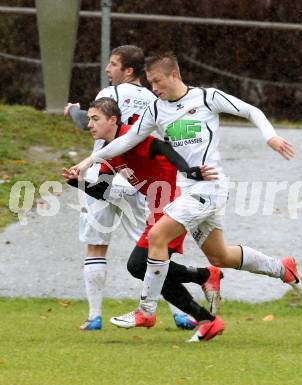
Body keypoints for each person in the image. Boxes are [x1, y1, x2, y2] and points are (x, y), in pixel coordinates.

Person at [71, 52, 302, 343]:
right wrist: (88, 162)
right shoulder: (156, 109)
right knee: (220, 255)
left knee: (156, 236)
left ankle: (146, 310)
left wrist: (269, 136)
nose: (155, 88)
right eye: (151, 83)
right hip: (187, 192)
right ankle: (282, 267)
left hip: (209, 188)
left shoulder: (207, 98)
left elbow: (251, 110)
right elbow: (126, 141)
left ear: (174, 75)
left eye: (157, 81)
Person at [64, 45, 219, 331]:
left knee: (102, 247)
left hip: (121, 178)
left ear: (128, 70)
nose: (107, 70)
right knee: (152, 258)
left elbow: (90, 121)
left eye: (113, 64)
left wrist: (74, 111)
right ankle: (186, 314)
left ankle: (95, 316)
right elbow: (162, 139)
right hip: (139, 184)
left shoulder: (109, 97)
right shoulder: (154, 97)